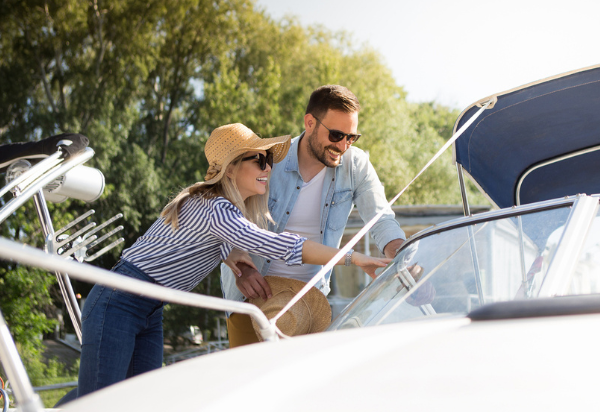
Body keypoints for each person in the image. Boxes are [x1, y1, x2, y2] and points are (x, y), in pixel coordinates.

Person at [73, 123, 389, 399]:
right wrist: (355, 258)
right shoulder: (218, 210)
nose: (269, 168)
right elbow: (280, 245)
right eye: (259, 160)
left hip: (149, 307)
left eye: (269, 160)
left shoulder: (218, 207)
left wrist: (238, 262)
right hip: (119, 301)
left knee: (139, 402)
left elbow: (219, 245)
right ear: (232, 168)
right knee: (99, 402)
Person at [220, 85, 406, 346]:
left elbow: (381, 219)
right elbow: (226, 215)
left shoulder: (356, 166)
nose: (343, 146)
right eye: (336, 135)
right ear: (310, 123)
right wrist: (240, 267)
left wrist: (401, 257)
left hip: (310, 305)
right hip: (251, 297)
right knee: (249, 373)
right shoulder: (268, 159)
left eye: (352, 137)